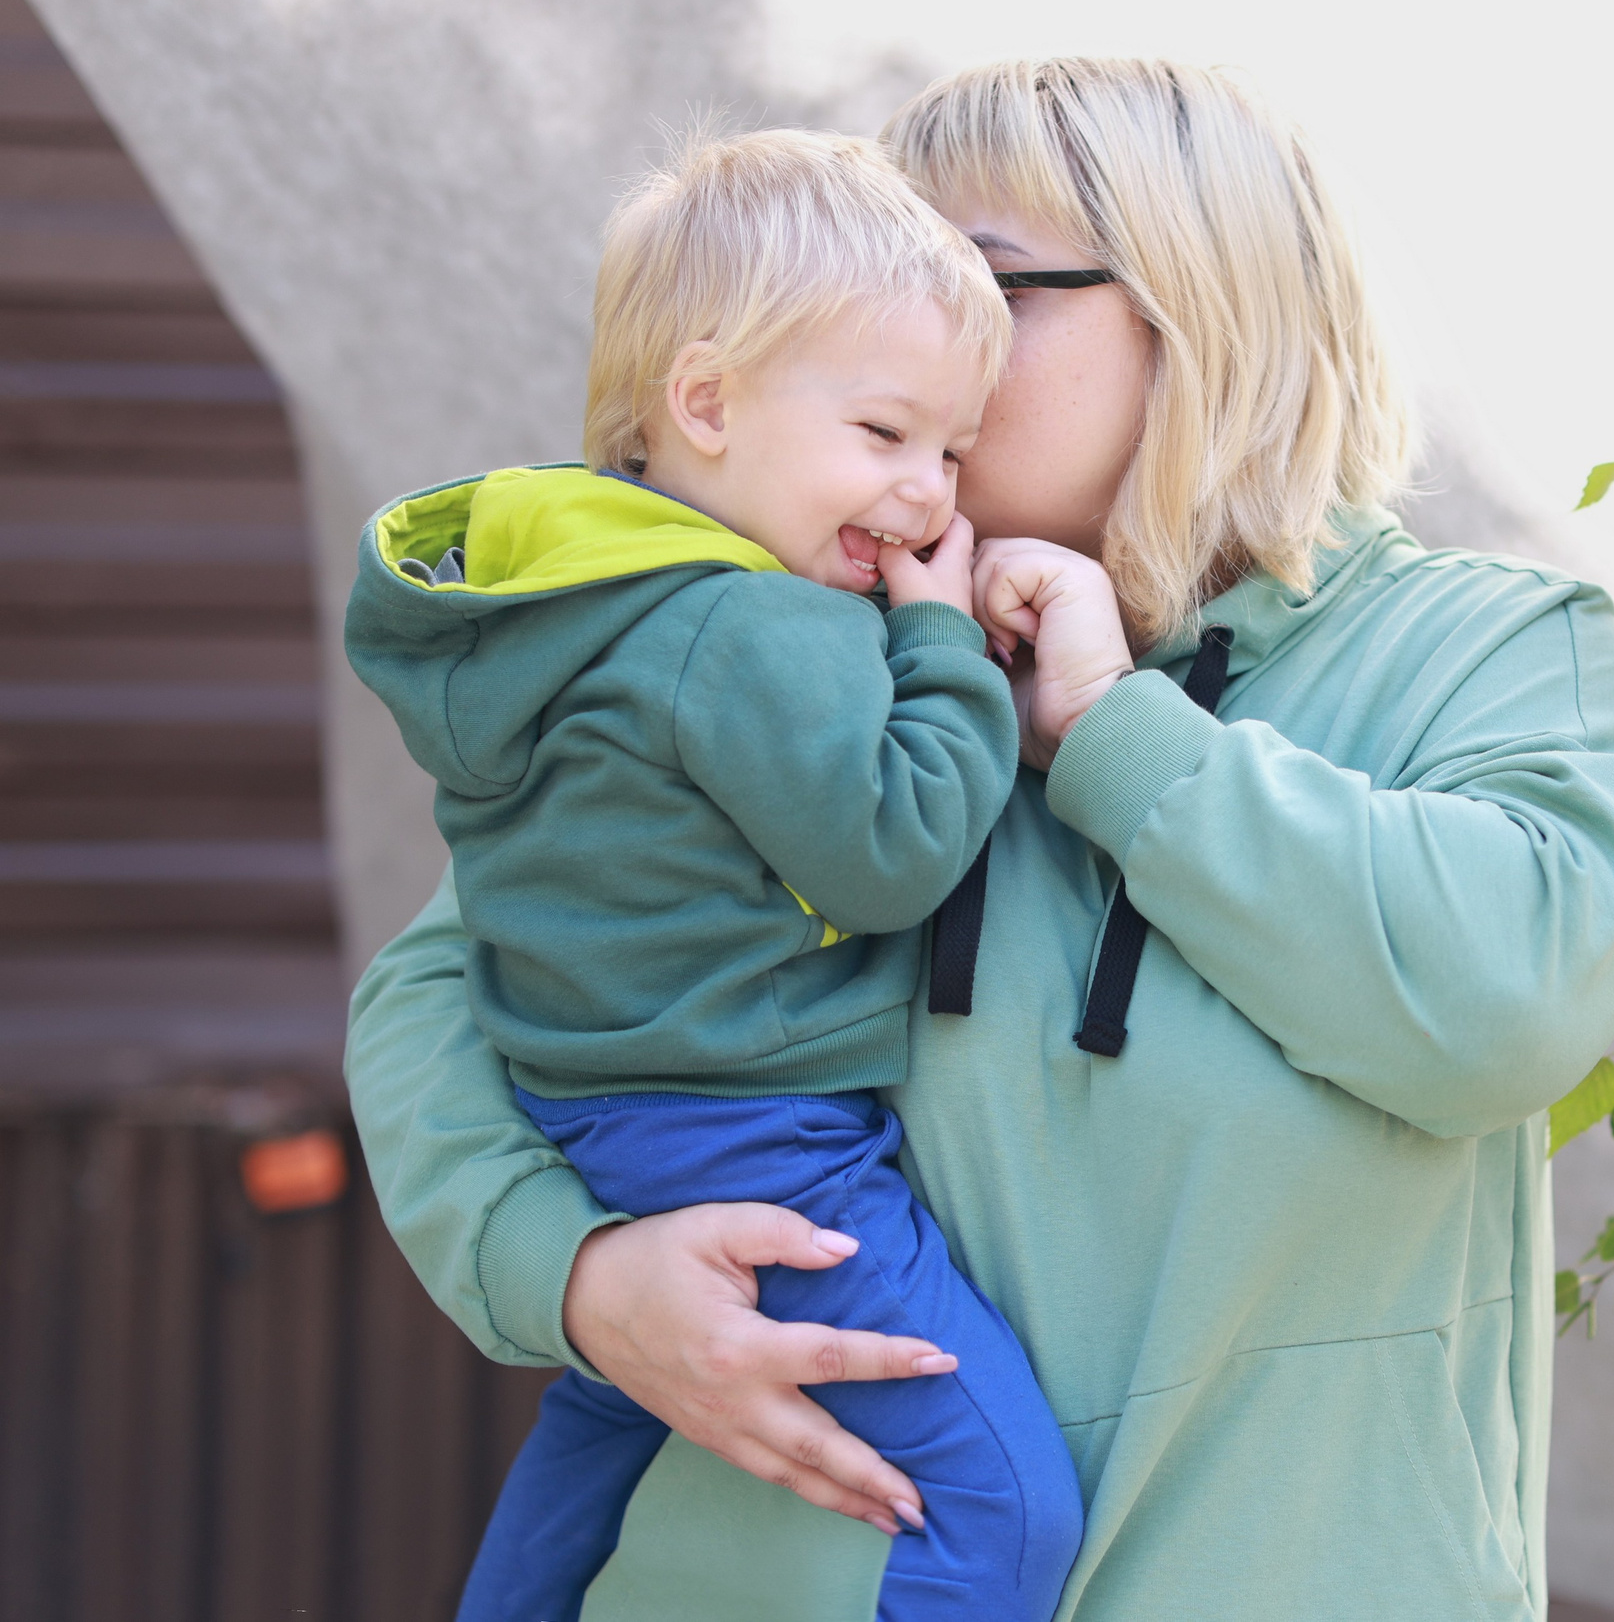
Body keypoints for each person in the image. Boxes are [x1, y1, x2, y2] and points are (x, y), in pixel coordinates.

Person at [348, 58, 1614, 1621]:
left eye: (981, 284)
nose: (914, 346)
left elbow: (1500, 1009)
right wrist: (571, 1280)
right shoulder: (796, 631)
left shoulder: (1488, 646)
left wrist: (1111, 729)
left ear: (1203, 308)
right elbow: (444, 999)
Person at [342, 128, 1081, 1622]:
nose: (932, 500)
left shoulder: (574, 591)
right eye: (885, 437)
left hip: (584, 1107)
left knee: (612, 1413)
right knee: (1005, 1506)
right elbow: (890, 854)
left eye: (950, 450)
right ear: (706, 402)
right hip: (750, 1138)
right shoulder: (751, 628)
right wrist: (943, 651)